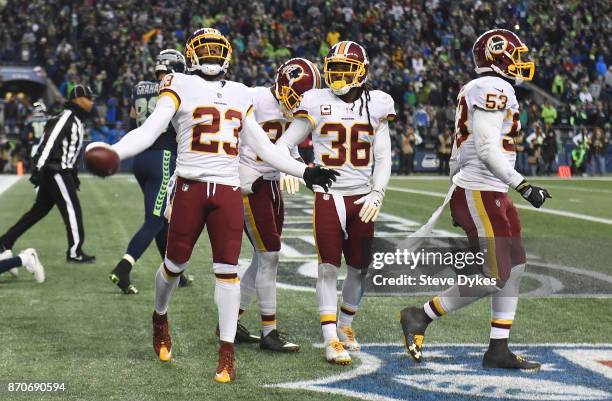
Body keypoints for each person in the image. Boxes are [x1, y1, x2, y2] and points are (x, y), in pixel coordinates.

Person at [88, 28, 338, 383]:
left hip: (227, 191)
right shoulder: (179, 83)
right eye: (203, 50)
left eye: (214, 50)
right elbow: (148, 130)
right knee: (174, 265)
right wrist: (115, 151)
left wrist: (306, 171)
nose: (209, 56)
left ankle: (226, 352)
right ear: (191, 55)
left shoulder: (238, 93)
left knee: (228, 272)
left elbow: (265, 149)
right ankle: (160, 316)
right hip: (191, 185)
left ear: (226, 56)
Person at [399, 29, 551, 370]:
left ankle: (498, 348)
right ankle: (419, 315)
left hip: (488, 190)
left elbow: (460, 150)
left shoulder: (485, 88)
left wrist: (460, 181)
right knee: (495, 275)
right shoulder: (492, 87)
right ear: (497, 56)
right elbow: (484, 148)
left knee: (516, 267)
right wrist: (523, 186)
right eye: (516, 54)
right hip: (482, 190)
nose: (522, 61)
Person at [276, 40, 394, 365]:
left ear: (362, 71)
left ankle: (345, 326)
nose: (339, 76)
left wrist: (377, 192)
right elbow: (285, 143)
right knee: (328, 266)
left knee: (359, 267)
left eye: (346, 69)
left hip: (362, 195)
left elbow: (383, 157)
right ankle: (330, 338)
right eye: (335, 69)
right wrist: (296, 169)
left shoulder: (378, 103)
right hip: (329, 194)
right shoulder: (315, 100)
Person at [236, 58, 321, 352]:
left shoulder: (295, 108)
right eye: (296, 94)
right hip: (252, 183)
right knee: (270, 254)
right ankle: (269, 331)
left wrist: (296, 165)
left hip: (272, 185)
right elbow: (231, 135)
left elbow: (290, 147)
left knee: (263, 257)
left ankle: (231, 322)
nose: (297, 103)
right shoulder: (253, 97)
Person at [108, 49, 192, 295]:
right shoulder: (178, 88)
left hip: (141, 158)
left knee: (161, 220)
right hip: (163, 156)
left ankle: (177, 272)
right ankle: (124, 267)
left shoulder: (140, 88)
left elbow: (132, 120)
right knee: (156, 219)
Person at [0, 85, 97, 263]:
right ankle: (75, 252)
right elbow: (49, 142)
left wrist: (73, 173)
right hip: (56, 170)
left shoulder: (75, 119)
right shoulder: (66, 117)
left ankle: (5, 241)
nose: (92, 102)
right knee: (72, 210)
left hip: (57, 170)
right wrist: (38, 168)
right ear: (78, 99)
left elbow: (69, 150)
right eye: (89, 98)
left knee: (37, 211)